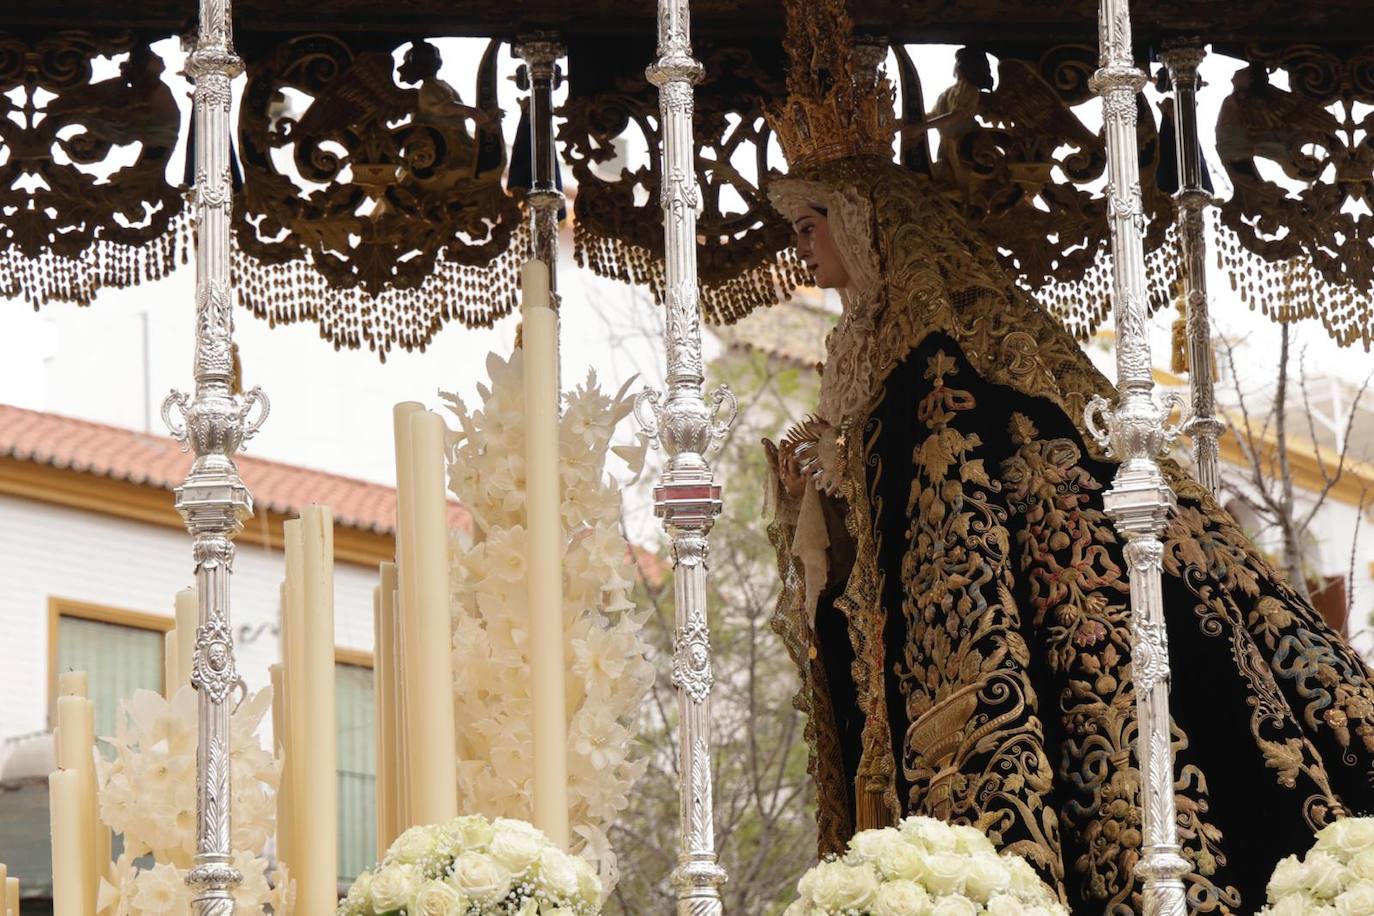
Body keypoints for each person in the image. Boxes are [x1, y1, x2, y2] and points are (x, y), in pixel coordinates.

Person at [762, 2, 1374, 912]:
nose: (802, 247)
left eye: (810, 223)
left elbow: (953, 527)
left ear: (862, 222)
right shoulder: (869, 357)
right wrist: (815, 507)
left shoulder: (933, 364)